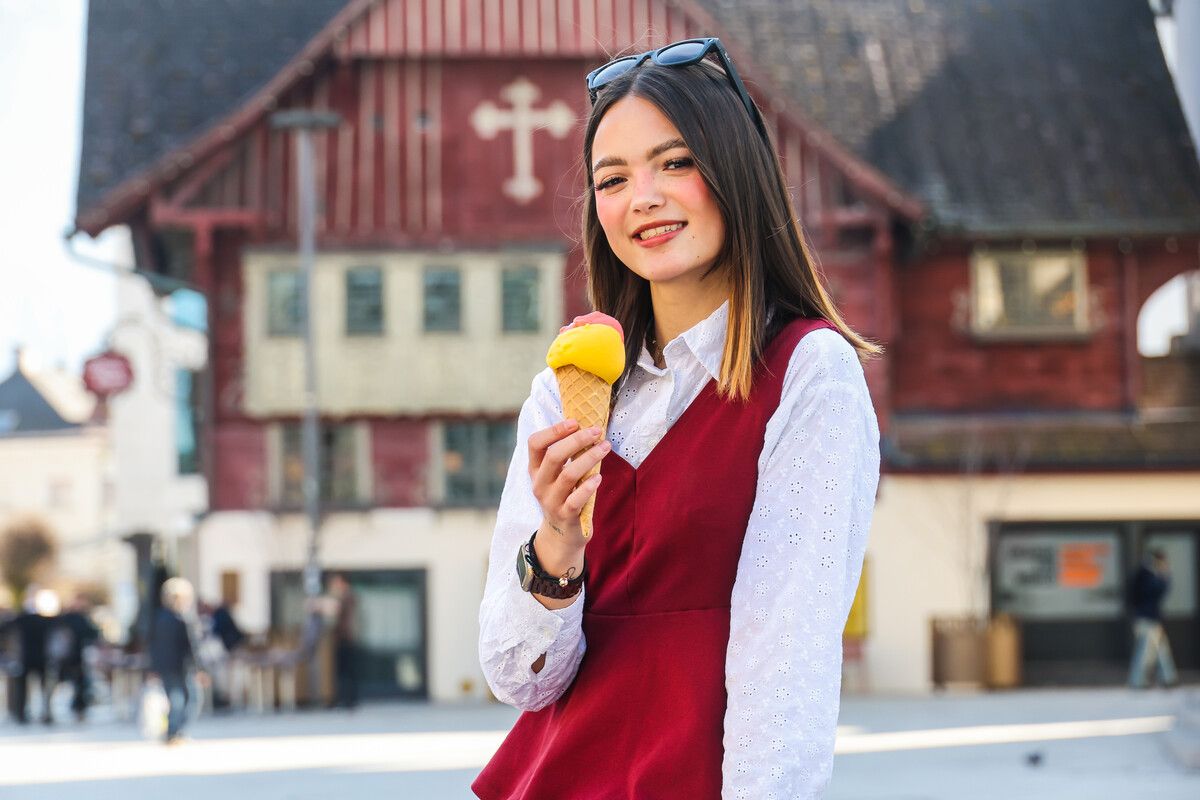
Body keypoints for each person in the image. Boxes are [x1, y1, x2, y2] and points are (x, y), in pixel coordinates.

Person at [473, 37, 880, 799]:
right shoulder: (563, 390)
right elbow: (519, 680)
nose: (643, 199)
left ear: (735, 173)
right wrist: (558, 543)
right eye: (612, 179)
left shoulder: (809, 372)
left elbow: (785, 657)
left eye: (675, 163)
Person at [149, 578, 201, 743]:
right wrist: (199, 668)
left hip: (166, 666)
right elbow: (190, 646)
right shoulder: (183, 619)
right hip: (181, 667)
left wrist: (153, 667)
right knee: (188, 699)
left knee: (176, 698)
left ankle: (174, 732)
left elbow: (151, 645)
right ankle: (175, 731)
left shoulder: (158, 618)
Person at [1, 588, 60, 725]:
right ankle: (39, 713)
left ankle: (29, 713)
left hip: (31, 658)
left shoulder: (22, 618)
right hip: (34, 658)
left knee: (35, 688)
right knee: (39, 687)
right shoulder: (42, 619)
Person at [1128, 549, 1178, 689]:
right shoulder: (1146, 574)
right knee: (1145, 652)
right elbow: (1158, 590)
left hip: (1151, 618)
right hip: (1146, 619)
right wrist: (1165, 575)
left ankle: (1168, 678)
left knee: (1161, 649)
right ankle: (1137, 681)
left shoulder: (1147, 573)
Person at [55, 595, 101, 721]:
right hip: (71, 657)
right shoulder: (74, 618)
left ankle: (77, 707)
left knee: (79, 684)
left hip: (74, 657)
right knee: (76, 684)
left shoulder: (72, 618)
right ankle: (76, 708)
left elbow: (92, 633)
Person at [328, 573, 359, 709]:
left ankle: (348, 700)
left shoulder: (347, 596)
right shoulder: (347, 596)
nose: (334, 586)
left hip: (346, 638)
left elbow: (338, 613)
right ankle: (345, 699)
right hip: (345, 638)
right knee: (344, 671)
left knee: (347, 671)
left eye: (335, 583)